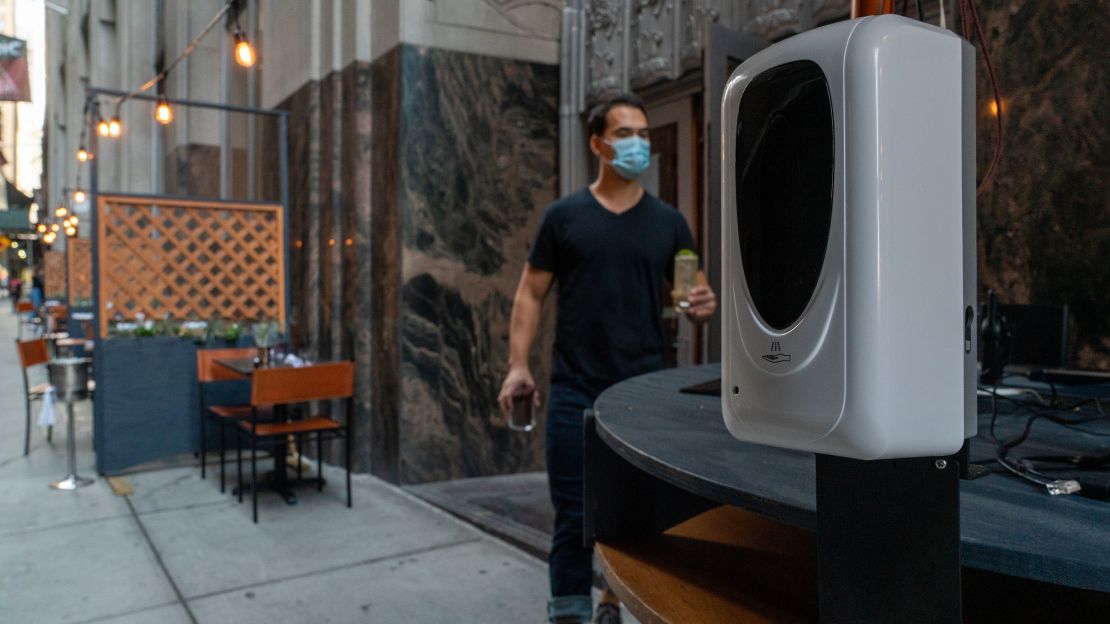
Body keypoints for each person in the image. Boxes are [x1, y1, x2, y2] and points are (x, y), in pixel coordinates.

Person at [498, 93, 717, 624]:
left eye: (643, 133)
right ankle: (569, 613)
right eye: (625, 134)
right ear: (598, 143)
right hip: (576, 389)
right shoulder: (564, 218)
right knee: (574, 515)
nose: (638, 143)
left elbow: (693, 292)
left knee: (634, 513)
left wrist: (701, 305)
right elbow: (529, 293)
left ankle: (611, 603)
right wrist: (517, 364)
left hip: (643, 392)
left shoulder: (669, 223)